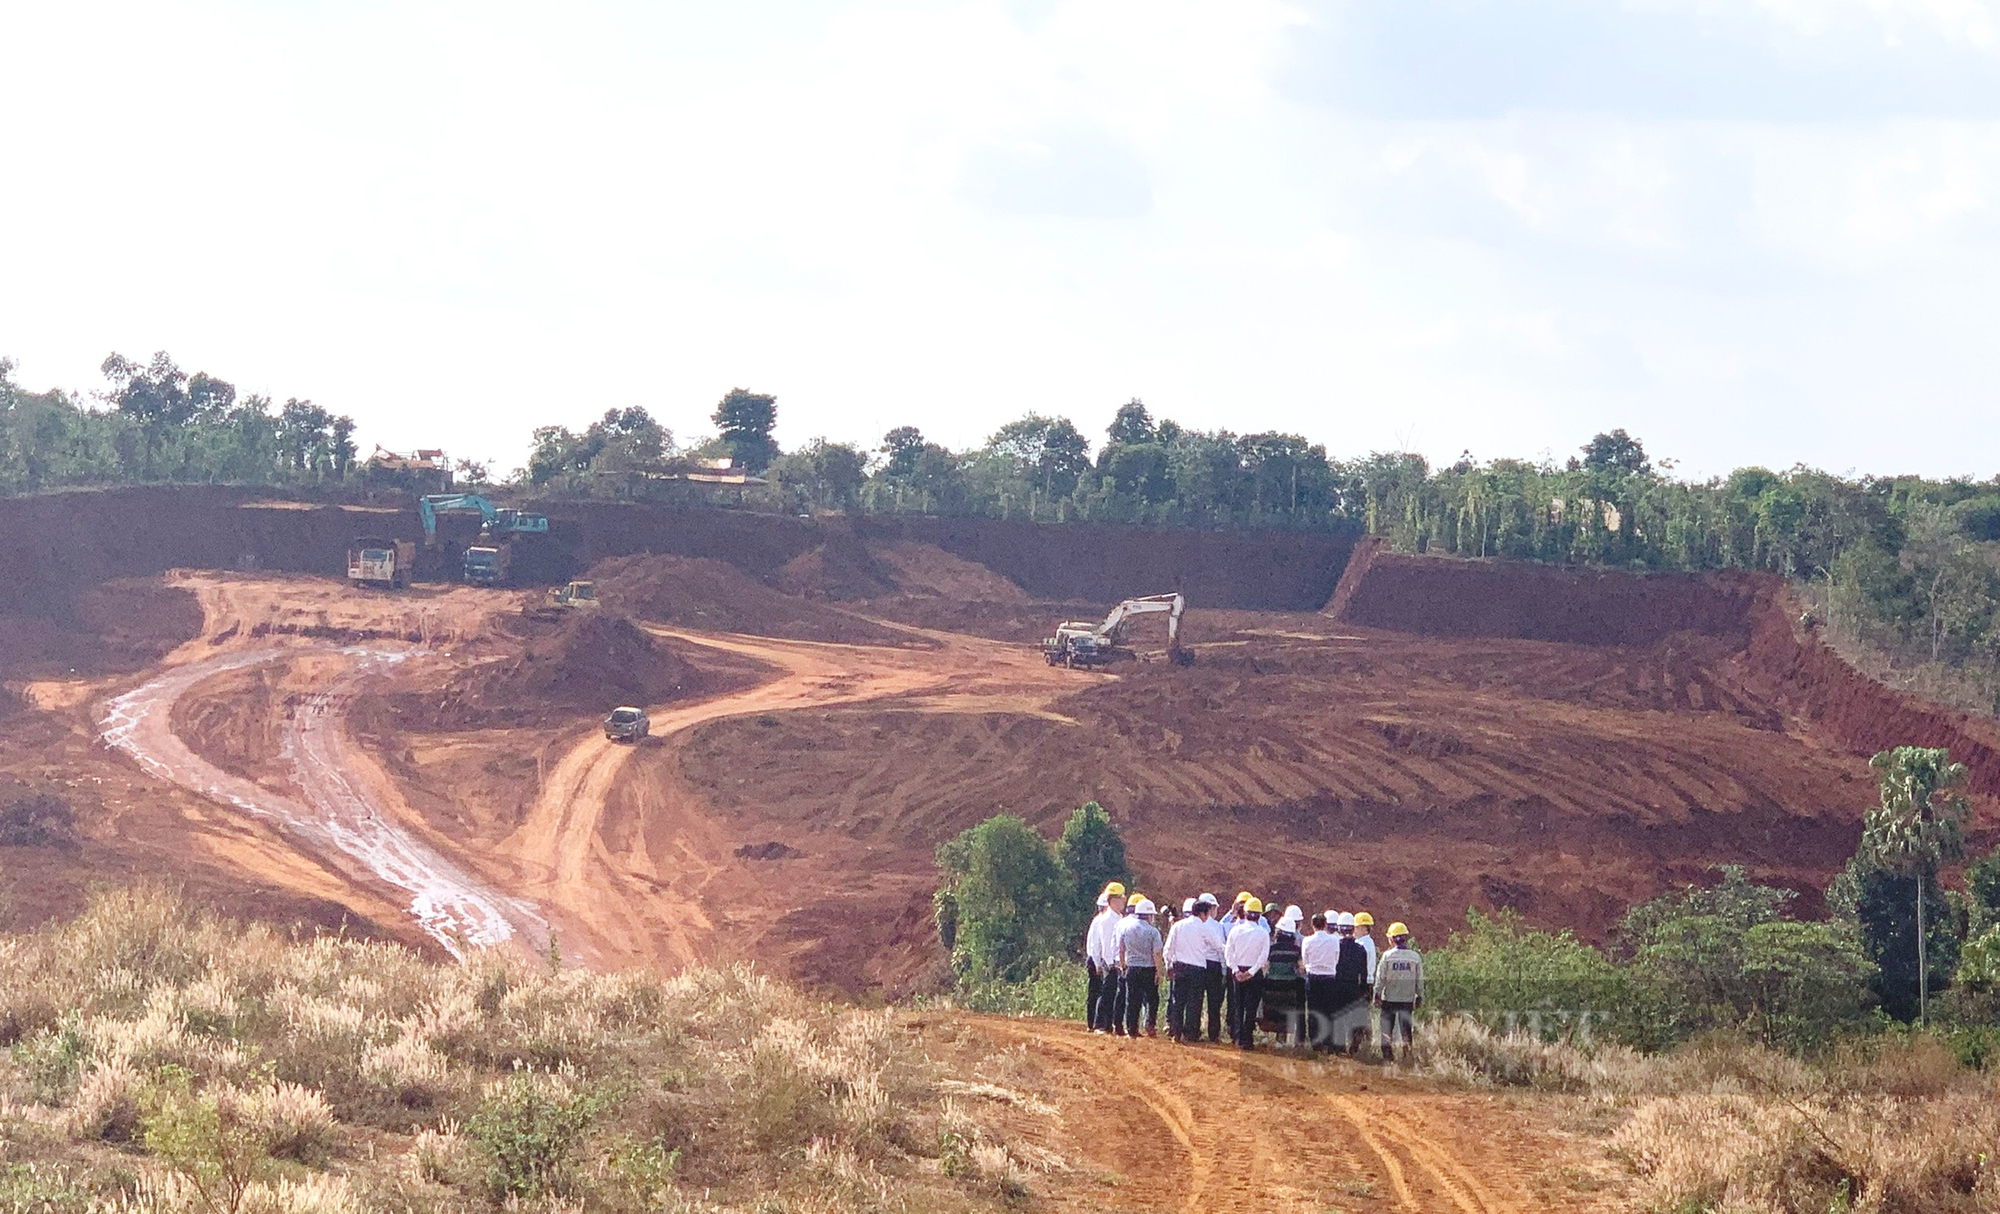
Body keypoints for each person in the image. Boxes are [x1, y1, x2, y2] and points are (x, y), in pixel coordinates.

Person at [1223, 897, 1272, 1050]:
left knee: (1237, 1006)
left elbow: (1228, 953)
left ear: (1244, 913)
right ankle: (1247, 1039)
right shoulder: (1263, 933)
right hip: (1254, 973)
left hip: (1237, 971)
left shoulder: (1235, 931)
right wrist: (1251, 972)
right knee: (1250, 1008)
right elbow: (1263, 957)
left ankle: (1237, 1037)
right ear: (1259, 915)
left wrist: (1237, 970)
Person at [1372, 922, 1424, 1062]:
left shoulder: (1387, 957)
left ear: (1391, 939)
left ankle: (1388, 1058)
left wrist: (1376, 994)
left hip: (1389, 999)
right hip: (1407, 1000)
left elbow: (1380, 978)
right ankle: (1407, 1056)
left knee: (1386, 1029)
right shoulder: (1415, 957)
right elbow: (1419, 980)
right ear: (1405, 938)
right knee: (1406, 1030)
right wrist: (1419, 996)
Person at [1117, 899, 1165, 1038]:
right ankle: (1150, 1024)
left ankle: (1132, 1028)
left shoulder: (1127, 929)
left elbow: (1121, 949)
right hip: (1148, 969)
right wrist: (1158, 971)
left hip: (1131, 968)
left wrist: (1123, 965)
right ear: (1149, 915)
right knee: (1152, 999)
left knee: (1132, 1000)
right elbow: (1156, 953)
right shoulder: (1153, 932)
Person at [1261, 906, 1307, 1044]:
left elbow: (1265, 966)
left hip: (1272, 983)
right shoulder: (1297, 949)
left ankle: (1265, 1037)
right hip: (1289, 984)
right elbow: (1301, 968)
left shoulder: (1272, 948)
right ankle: (1280, 1041)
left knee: (1269, 1009)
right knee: (1285, 1011)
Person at [1085, 883, 1126, 1033]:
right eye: (1121, 898)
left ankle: (1109, 1024)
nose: (1124, 901)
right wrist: (1109, 964)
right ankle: (1100, 1024)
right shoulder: (1107, 920)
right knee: (1106, 995)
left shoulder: (1119, 918)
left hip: (1117, 963)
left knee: (1113, 995)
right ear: (1114, 900)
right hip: (1111, 963)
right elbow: (1105, 944)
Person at [1300, 913, 1343, 1052]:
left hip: (1313, 978)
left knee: (1313, 1011)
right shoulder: (1334, 940)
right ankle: (1329, 1042)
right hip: (1330, 978)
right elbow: (1336, 959)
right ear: (1325, 924)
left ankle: (1315, 1043)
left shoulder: (1307, 941)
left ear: (1312, 925)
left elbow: (1305, 960)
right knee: (1329, 1011)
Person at [1163, 897, 1203, 1041]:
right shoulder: (1203, 926)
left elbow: (1167, 949)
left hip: (1179, 967)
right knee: (1193, 1003)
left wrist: (1168, 966)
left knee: (1177, 1002)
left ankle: (1176, 1032)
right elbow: (1217, 945)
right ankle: (1191, 1034)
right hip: (1197, 970)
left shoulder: (1177, 926)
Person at [1198, 893, 1228, 1043]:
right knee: (1214, 1003)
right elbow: (1220, 948)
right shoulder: (1216, 926)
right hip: (1213, 966)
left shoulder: (1195, 923)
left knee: (1195, 1000)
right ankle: (1213, 1034)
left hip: (1198, 964)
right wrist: (1224, 968)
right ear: (1211, 908)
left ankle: (1193, 1030)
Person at [1353, 911, 1378, 984]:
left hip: (1362, 981)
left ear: (1364, 928)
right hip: (1369, 981)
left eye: (1356, 927)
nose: (1354, 930)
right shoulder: (1369, 942)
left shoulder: (1361, 944)